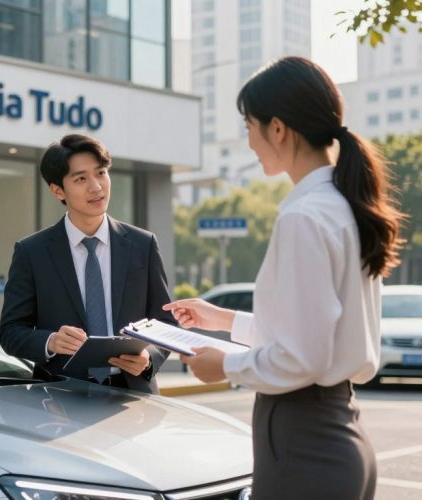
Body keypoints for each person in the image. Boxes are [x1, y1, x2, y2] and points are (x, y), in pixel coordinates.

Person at [163, 56, 405, 500]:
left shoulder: (304, 217)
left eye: (249, 125)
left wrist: (224, 364)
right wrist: (223, 320)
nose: (250, 141)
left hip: (303, 442)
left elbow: (302, 357)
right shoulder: (345, 205)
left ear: (277, 128)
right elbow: (313, 336)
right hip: (335, 432)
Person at [0, 133, 175, 393]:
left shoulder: (142, 244)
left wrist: (149, 357)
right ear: (58, 190)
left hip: (134, 397)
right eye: (81, 179)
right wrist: (51, 341)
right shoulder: (31, 252)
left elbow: (165, 322)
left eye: (101, 173)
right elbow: (11, 332)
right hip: (59, 399)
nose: (96, 187)